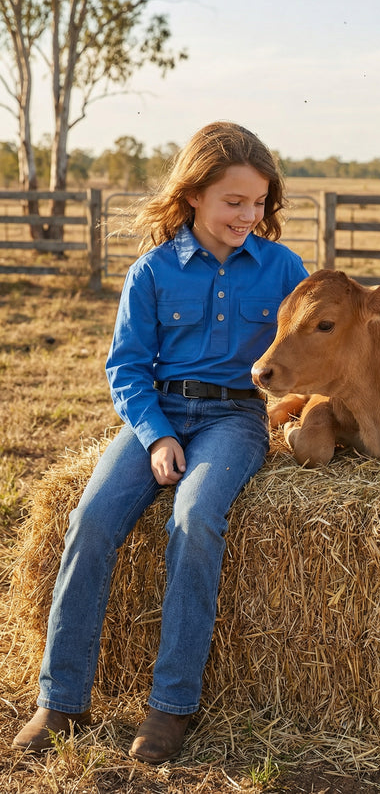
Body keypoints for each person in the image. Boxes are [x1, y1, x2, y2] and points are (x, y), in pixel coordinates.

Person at [13, 121, 308, 764]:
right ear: (196, 194)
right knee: (88, 519)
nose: (248, 215)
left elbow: (317, 345)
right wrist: (155, 438)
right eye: (235, 201)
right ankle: (61, 700)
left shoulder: (285, 268)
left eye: (258, 202)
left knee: (196, 518)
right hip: (158, 411)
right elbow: (127, 369)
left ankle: (171, 706)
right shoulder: (150, 271)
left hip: (234, 419)